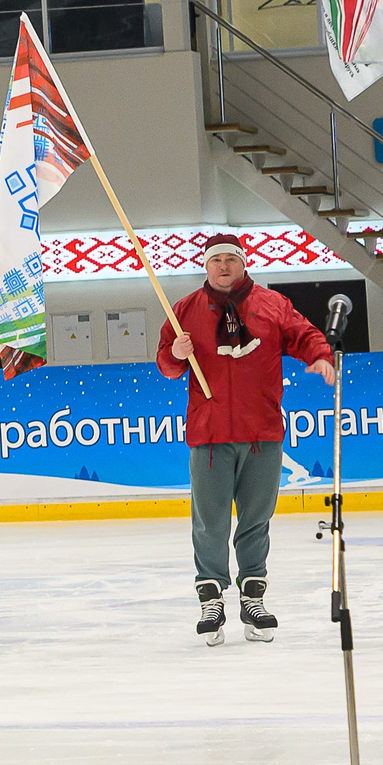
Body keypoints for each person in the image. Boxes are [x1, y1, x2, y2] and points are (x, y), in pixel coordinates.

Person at [159, 232, 334, 645]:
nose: (223, 266)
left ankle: (253, 597)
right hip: (210, 434)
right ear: (206, 266)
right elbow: (166, 364)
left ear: (243, 264)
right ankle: (211, 596)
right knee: (210, 521)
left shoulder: (272, 305)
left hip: (262, 433)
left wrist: (321, 354)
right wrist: (176, 355)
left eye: (230, 260)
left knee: (256, 519)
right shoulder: (183, 310)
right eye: (216, 260)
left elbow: (303, 334)